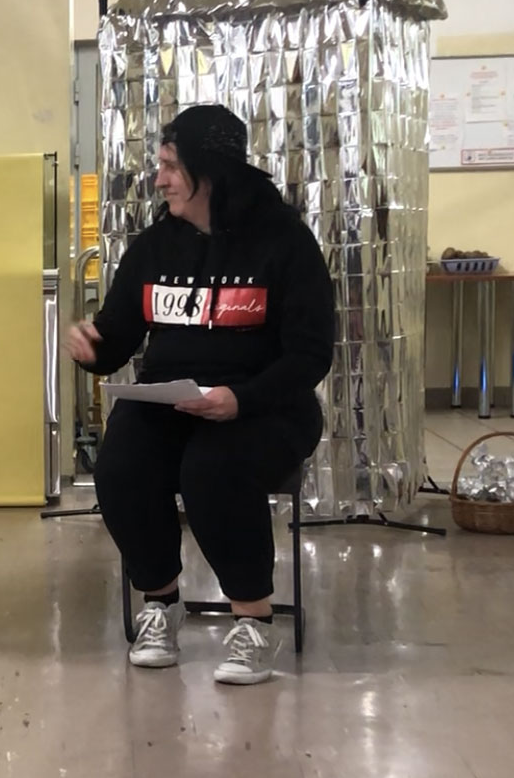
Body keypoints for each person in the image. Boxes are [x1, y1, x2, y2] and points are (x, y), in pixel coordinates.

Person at [68, 103, 334, 684]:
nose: (159, 180)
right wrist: (91, 347)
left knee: (213, 469)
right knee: (121, 466)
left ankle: (253, 621)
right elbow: (117, 336)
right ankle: (162, 604)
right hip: (172, 400)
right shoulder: (155, 246)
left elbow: (311, 355)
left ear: (208, 172)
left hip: (266, 405)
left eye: (170, 166)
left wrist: (241, 399)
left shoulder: (284, 241)